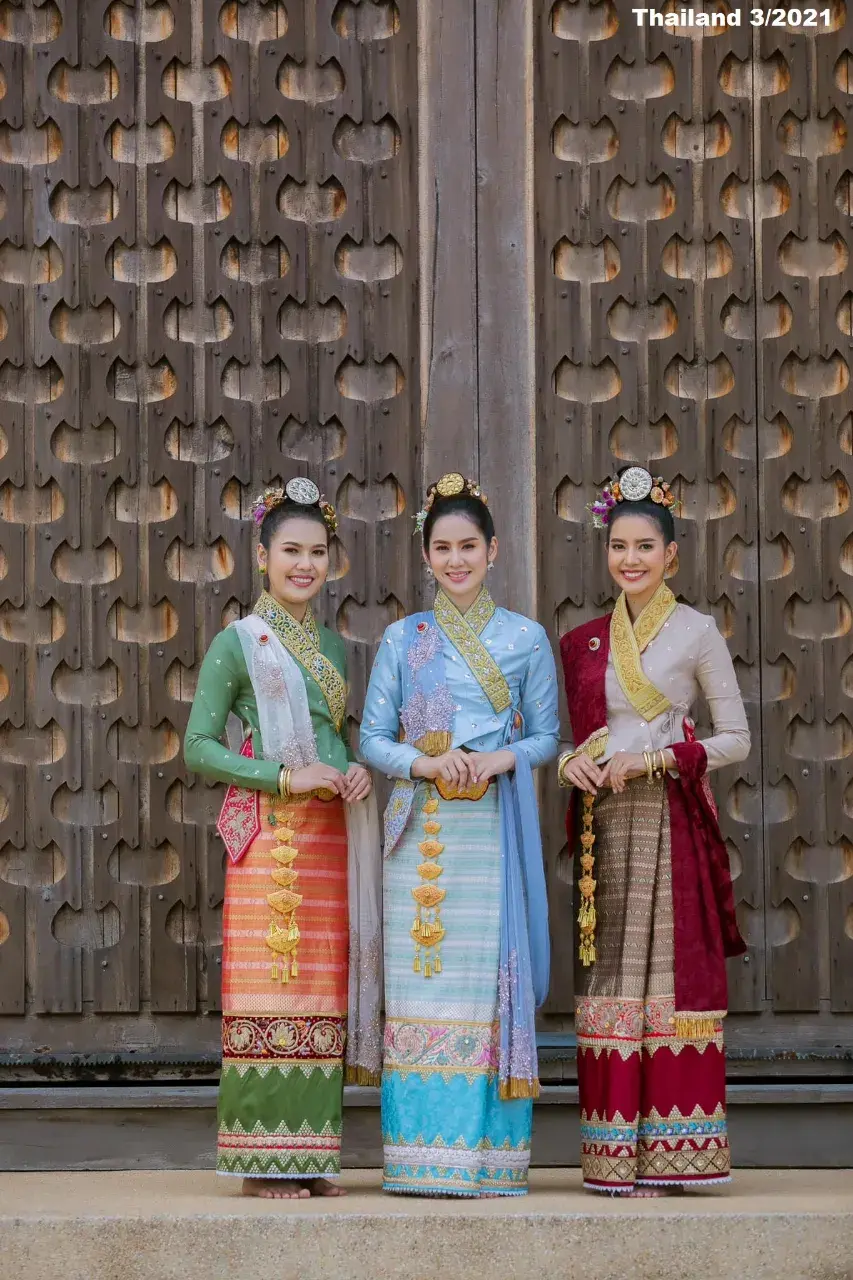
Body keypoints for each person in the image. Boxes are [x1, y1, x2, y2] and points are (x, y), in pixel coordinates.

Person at [360, 473, 559, 1197]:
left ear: (492, 550)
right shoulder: (403, 639)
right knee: (423, 990)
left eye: (467, 546)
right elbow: (371, 739)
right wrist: (423, 761)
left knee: (482, 991)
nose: (455, 560)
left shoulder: (525, 640)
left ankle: (487, 1160)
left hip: (490, 833)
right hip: (418, 831)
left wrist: (500, 758)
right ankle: (419, 1159)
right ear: (425, 556)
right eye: (441, 547)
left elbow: (545, 738)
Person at [184, 478, 382, 1200]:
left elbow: (329, 737)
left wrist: (351, 771)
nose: (304, 565)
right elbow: (198, 748)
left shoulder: (331, 643)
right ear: (262, 556)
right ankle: (263, 1161)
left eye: (317, 553)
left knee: (320, 988)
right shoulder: (239, 642)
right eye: (290, 551)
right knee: (271, 985)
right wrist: (280, 776)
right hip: (270, 833)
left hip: (329, 833)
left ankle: (311, 1153)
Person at [557, 465, 751, 1196]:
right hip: (605, 823)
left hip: (668, 816)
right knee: (610, 978)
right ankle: (611, 1156)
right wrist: (571, 763)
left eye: (645, 545)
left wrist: (658, 757)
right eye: (619, 546)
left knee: (667, 979)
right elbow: (566, 739)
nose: (630, 558)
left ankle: (674, 1152)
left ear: (671, 554)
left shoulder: (697, 632)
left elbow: (735, 739)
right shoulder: (582, 642)